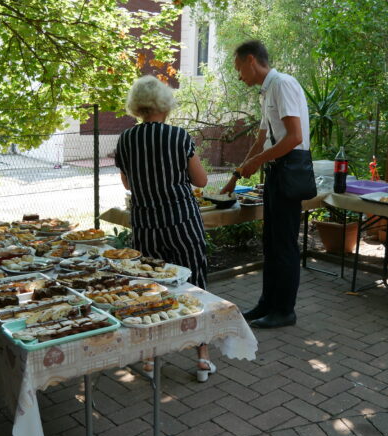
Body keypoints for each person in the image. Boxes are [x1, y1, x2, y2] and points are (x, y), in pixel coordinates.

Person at [115, 75, 216, 382]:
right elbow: (201, 181)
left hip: (147, 226)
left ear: (137, 105)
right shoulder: (178, 136)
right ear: (165, 103)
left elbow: (128, 184)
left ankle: (149, 357)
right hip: (182, 223)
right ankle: (202, 356)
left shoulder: (126, 139)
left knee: (151, 287)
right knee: (195, 285)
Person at [221, 40, 310, 329]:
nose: (238, 76)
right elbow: (261, 141)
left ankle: (284, 311)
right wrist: (235, 177)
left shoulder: (283, 84)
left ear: (251, 60)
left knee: (284, 244)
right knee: (271, 243)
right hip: (275, 170)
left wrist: (257, 161)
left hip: (290, 170)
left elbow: (295, 137)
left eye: (238, 69)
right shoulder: (267, 91)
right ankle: (267, 304)